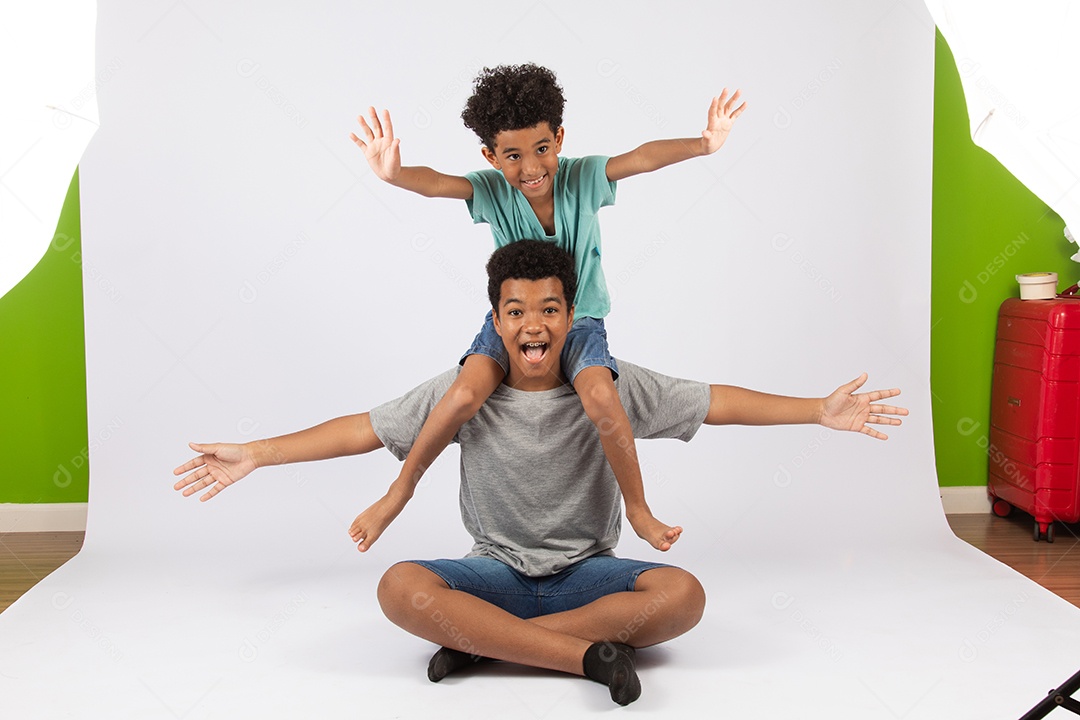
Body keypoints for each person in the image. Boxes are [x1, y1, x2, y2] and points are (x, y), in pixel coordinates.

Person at [173, 240, 907, 706]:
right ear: (495, 322)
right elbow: (361, 430)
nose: (534, 324)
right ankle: (584, 657)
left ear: (571, 316)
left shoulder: (608, 385)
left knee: (682, 596)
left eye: (550, 309)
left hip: (588, 575)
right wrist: (258, 452)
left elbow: (714, 403)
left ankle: (482, 643)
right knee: (400, 586)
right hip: (492, 572)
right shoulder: (465, 392)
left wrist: (818, 410)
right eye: (517, 310)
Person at [349, 63, 748, 553]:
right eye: (513, 155)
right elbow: (436, 183)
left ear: (559, 138)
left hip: (578, 322)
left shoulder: (583, 177)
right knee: (462, 395)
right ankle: (398, 493)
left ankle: (638, 509)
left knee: (600, 396)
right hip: (513, 324)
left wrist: (702, 144)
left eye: (542, 149)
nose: (531, 167)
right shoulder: (492, 190)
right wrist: (394, 175)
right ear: (491, 156)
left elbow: (642, 157)